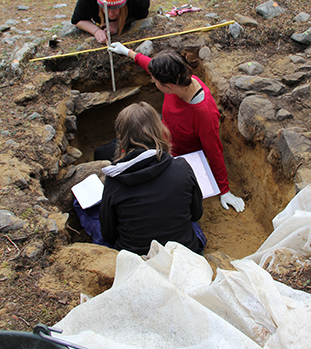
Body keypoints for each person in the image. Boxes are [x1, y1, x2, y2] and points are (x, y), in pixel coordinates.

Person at [106, 43, 245, 213]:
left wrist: (224, 190)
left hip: (177, 161)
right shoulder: (176, 79)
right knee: (109, 151)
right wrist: (129, 53)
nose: (152, 81)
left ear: (169, 86)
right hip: (161, 138)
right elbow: (153, 66)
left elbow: (214, 151)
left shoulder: (204, 113)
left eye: (155, 81)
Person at [98, 102, 205, 255]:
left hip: (138, 259)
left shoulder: (114, 181)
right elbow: (196, 214)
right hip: (183, 252)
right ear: (159, 130)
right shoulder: (182, 167)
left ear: (121, 138)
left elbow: (108, 234)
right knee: (191, 225)